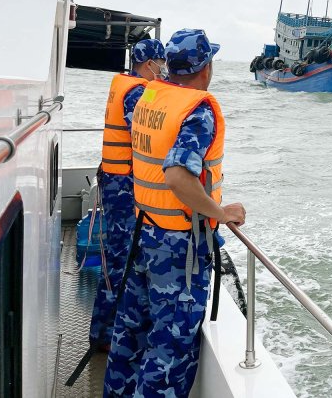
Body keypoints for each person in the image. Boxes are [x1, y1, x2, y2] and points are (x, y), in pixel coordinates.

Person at [103, 29, 245, 397]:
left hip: (143, 229)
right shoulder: (197, 110)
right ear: (206, 66)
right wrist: (220, 213)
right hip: (177, 246)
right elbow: (179, 175)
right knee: (170, 348)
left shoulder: (150, 96)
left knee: (130, 331)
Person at [89, 38, 166, 350]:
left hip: (114, 179)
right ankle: (105, 335)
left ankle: (107, 332)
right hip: (123, 187)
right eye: (161, 65)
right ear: (148, 64)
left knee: (118, 256)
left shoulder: (122, 83)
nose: (163, 72)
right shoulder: (136, 92)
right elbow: (146, 135)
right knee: (121, 260)